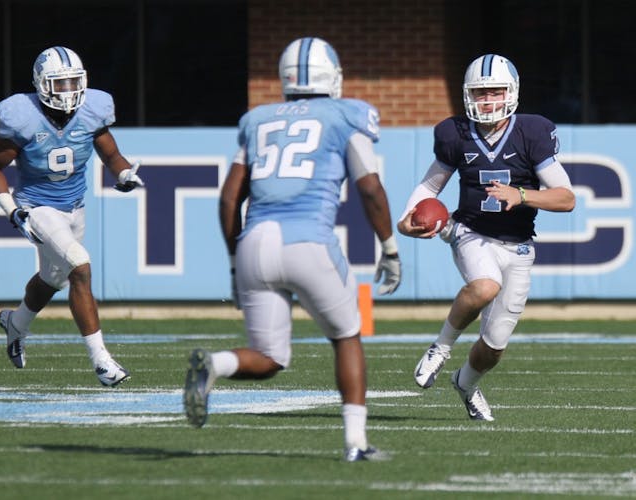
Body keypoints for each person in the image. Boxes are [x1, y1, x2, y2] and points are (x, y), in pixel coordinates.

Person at [183, 37, 402, 461]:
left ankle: (216, 364)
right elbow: (370, 189)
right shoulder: (346, 116)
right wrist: (389, 248)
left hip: (254, 243)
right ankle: (356, 443)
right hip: (309, 241)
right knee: (346, 336)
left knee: (269, 357)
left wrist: (234, 260)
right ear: (333, 77)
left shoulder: (259, 119)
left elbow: (230, 199)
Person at [397, 54, 575, 421]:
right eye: (480, 93)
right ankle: (440, 348)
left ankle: (466, 383)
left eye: (495, 91)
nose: (488, 100)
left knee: (493, 348)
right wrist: (405, 221)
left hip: (519, 245)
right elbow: (431, 185)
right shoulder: (455, 133)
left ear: (512, 93)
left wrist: (522, 195)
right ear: (468, 96)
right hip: (470, 231)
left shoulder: (531, 132)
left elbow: (566, 198)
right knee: (484, 287)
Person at [0, 46, 144, 386]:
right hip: (38, 207)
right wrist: (13, 210)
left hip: (74, 208)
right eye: (60, 84)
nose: (69, 92)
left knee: (52, 279)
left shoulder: (92, 111)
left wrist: (124, 174)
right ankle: (102, 361)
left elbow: (112, 154)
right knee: (80, 266)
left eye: (73, 83)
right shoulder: (22, 116)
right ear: (42, 84)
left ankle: (16, 324)